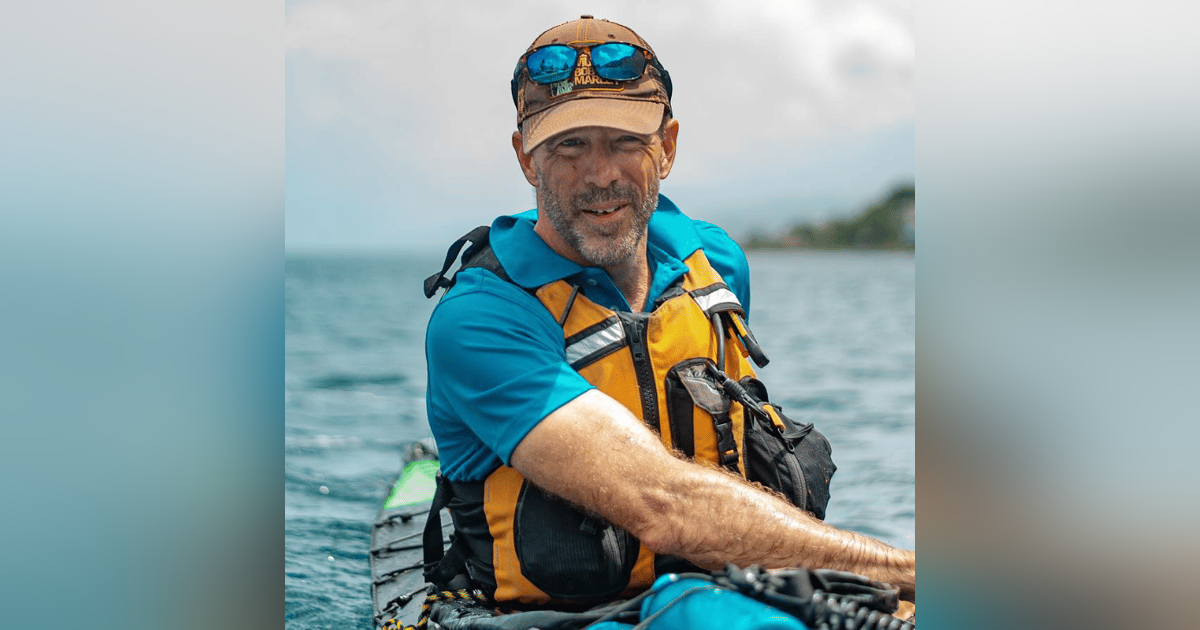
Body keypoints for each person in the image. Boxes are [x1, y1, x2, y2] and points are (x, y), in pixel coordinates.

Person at [422, 15, 915, 609]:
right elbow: (664, 505)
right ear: (527, 158)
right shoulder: (480, 320)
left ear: (667, 147)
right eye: (569, 146)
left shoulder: (716, 265)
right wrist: (908, 570)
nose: (600, 175)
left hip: (736, 592)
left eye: (625, 142)